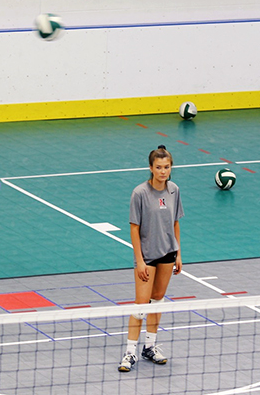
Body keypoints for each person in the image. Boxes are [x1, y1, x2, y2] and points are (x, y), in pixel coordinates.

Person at [118, 145, 184, 373]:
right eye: (158, 167)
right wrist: (140, 260)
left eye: (166, 167)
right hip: (147, 256)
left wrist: (178, 254)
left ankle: (150, 347)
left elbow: (175, 222)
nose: (163, 171)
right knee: (140, 306)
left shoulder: (174, 190)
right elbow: (134, 228)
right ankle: (129, 352)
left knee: (157, 301)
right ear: (151, 168)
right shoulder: (140, 193)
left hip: (167, 254)